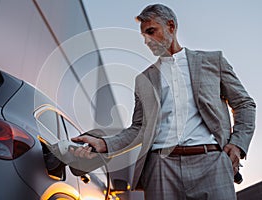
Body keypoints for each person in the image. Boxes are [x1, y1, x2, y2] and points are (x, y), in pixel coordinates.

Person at [71, 4, 256, 199]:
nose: (147, 41)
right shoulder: (144, 79)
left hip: (211, 162)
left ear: (171, 26)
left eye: (151, 31)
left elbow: (244, 104)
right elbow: (139, 128)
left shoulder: (212, 61)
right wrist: (103, 144)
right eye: (144, 36)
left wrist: (237, 144)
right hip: (161, 167)